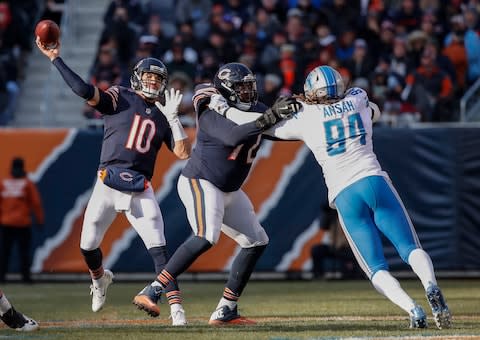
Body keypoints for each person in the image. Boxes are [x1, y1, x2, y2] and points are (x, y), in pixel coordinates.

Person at [208, 65, 452, 330]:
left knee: (375, 268)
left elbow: (260, 127)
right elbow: (375, 110)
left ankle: (413, 309)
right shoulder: (357, 98)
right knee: (410, 247)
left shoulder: (307, 117)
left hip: (345, 193)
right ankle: (431, 285)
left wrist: (224, 109)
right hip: (375, 180)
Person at [35, 36, 192, 325]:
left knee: (160, 251)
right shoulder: (120, 96)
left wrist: (174, 119)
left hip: (139, 189)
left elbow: (183, 153)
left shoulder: (162, 114)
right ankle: (99, 279)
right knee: (87, 245)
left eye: (158, 80)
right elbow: (84, 90)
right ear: (137, 78)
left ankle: (178, 312)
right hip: (107, 184)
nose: (154, 83)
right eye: (148, 77)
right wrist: (55, 58)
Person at [132, 62, 299, 325]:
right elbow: (232, 136)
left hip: (230, 190)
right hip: (201, 181)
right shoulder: (210, 108)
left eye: (249, 87)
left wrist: (301, 111)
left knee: (256, 241)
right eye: (241, 88)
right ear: (226, 90)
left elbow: (280, 130)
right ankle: (153, 289)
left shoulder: (256, 109)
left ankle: (226, 309)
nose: (247, 92)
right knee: (207, 236)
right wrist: (269, 117)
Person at [0, 157, 44, 284]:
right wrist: (40, 220)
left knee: (5, 253)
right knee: (24, 253)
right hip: (23, 223)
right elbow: (36, 203)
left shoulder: (4, 183)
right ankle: (26, 278)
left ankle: (2, 277)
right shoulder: (27, 183)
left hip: (6, 223)